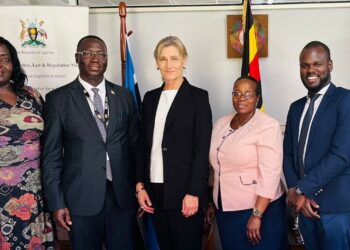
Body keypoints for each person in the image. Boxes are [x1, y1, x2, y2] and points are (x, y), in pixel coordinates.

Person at [41, 35, 139, 250]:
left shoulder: (124, 96)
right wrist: (57, 203)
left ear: (106, 59)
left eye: (101, 53)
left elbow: (135, 147)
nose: (95, 58)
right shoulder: (58, 99)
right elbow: (51, 157)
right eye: (88, 53)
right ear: (77, 58)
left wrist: (140, 188)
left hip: (122, 196)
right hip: (80, 197)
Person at [135, 36, 212, 250]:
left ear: (184, 60)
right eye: (163, 59)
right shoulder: (150, 99)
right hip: (154, 190)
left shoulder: (198, 97)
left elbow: (201, 148)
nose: (169, 65)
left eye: (174, 58)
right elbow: (142, 145)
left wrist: (194, 192)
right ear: (157, 62)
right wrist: (139, 185)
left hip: (185, 192)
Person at [207, 76, 287, 250]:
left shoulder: (267, 125)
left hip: (258, 209)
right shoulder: (221, 123)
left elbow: (270, 174)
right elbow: (217, 166)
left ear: (257, 98)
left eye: (248, 94)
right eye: (236, 93)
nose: (241, 98)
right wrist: (213, 202)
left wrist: (257, 215)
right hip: (226, 209)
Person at [284, 41, 350, 249]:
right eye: (304, 65)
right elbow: (287, 154)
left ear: (329, 65)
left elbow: (341, 156)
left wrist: (302, 189)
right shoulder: (295, 108)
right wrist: (295, 191)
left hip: (335, 209)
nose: (310, 70)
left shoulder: (345, 100)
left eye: (317, 64)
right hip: (304, 208)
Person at [0, 37, 55, 249]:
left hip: (35, 192)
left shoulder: (31, 95)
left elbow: (51, 141)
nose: (0, 65)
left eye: (5, 58)